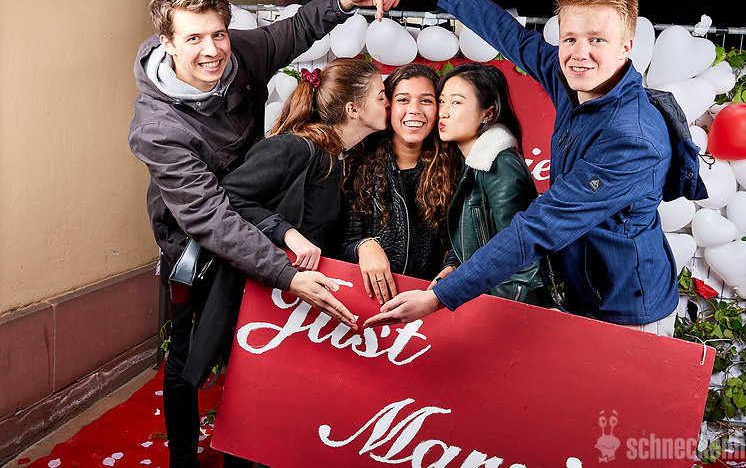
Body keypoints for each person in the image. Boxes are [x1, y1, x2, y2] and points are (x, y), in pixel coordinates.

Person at [128, 0, 382, 468]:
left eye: (218, 34)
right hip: (193, 240)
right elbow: (210, 216)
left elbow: (294, 31)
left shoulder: (239, 53)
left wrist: (343, 0)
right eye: (194, 38)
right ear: (167, 43)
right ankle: (183, 458)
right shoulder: (156, 127)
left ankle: (244, 446)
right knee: (190, 351)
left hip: (255, 225)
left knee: (249, 350)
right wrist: (286, 272)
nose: (211, 50)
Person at [365, 0, 689, 336]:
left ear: (626, 47)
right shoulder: (572, 80)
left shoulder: (632, 140)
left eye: (597, 40)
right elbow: (509, 35)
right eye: (570, 39)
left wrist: (441, 296)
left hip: (629, 311)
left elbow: (538, 227)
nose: (579, 54)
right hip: (581, 293)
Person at [182, 57, 388, 421]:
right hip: (255, 295)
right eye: (382, 96)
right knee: (250, 406)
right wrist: (287, 233)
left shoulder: (338, 157)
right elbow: (226, 198)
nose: (388, 104)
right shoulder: (293, 148)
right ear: (353, 109)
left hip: (287, 299)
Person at [337, 64, 459, 303]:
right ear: (388, 107)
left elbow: (464, 238)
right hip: (369, 301)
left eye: (426, 101)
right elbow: (336, 242)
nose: (415, 110)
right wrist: (363, 246)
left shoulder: (455, 166)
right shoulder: (357, 166)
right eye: (403, 100)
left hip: (432, 303)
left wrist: (453, 266)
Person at [434, 63, 550, 305]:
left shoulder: (499, 163)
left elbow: (522, 254)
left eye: (456, 102)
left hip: (516, 303)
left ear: (487, 114)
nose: (443, 112)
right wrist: (454, 266)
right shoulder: (472, 162)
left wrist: (497, 309)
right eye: (442, 101)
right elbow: (477, 235)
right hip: (485, 295)